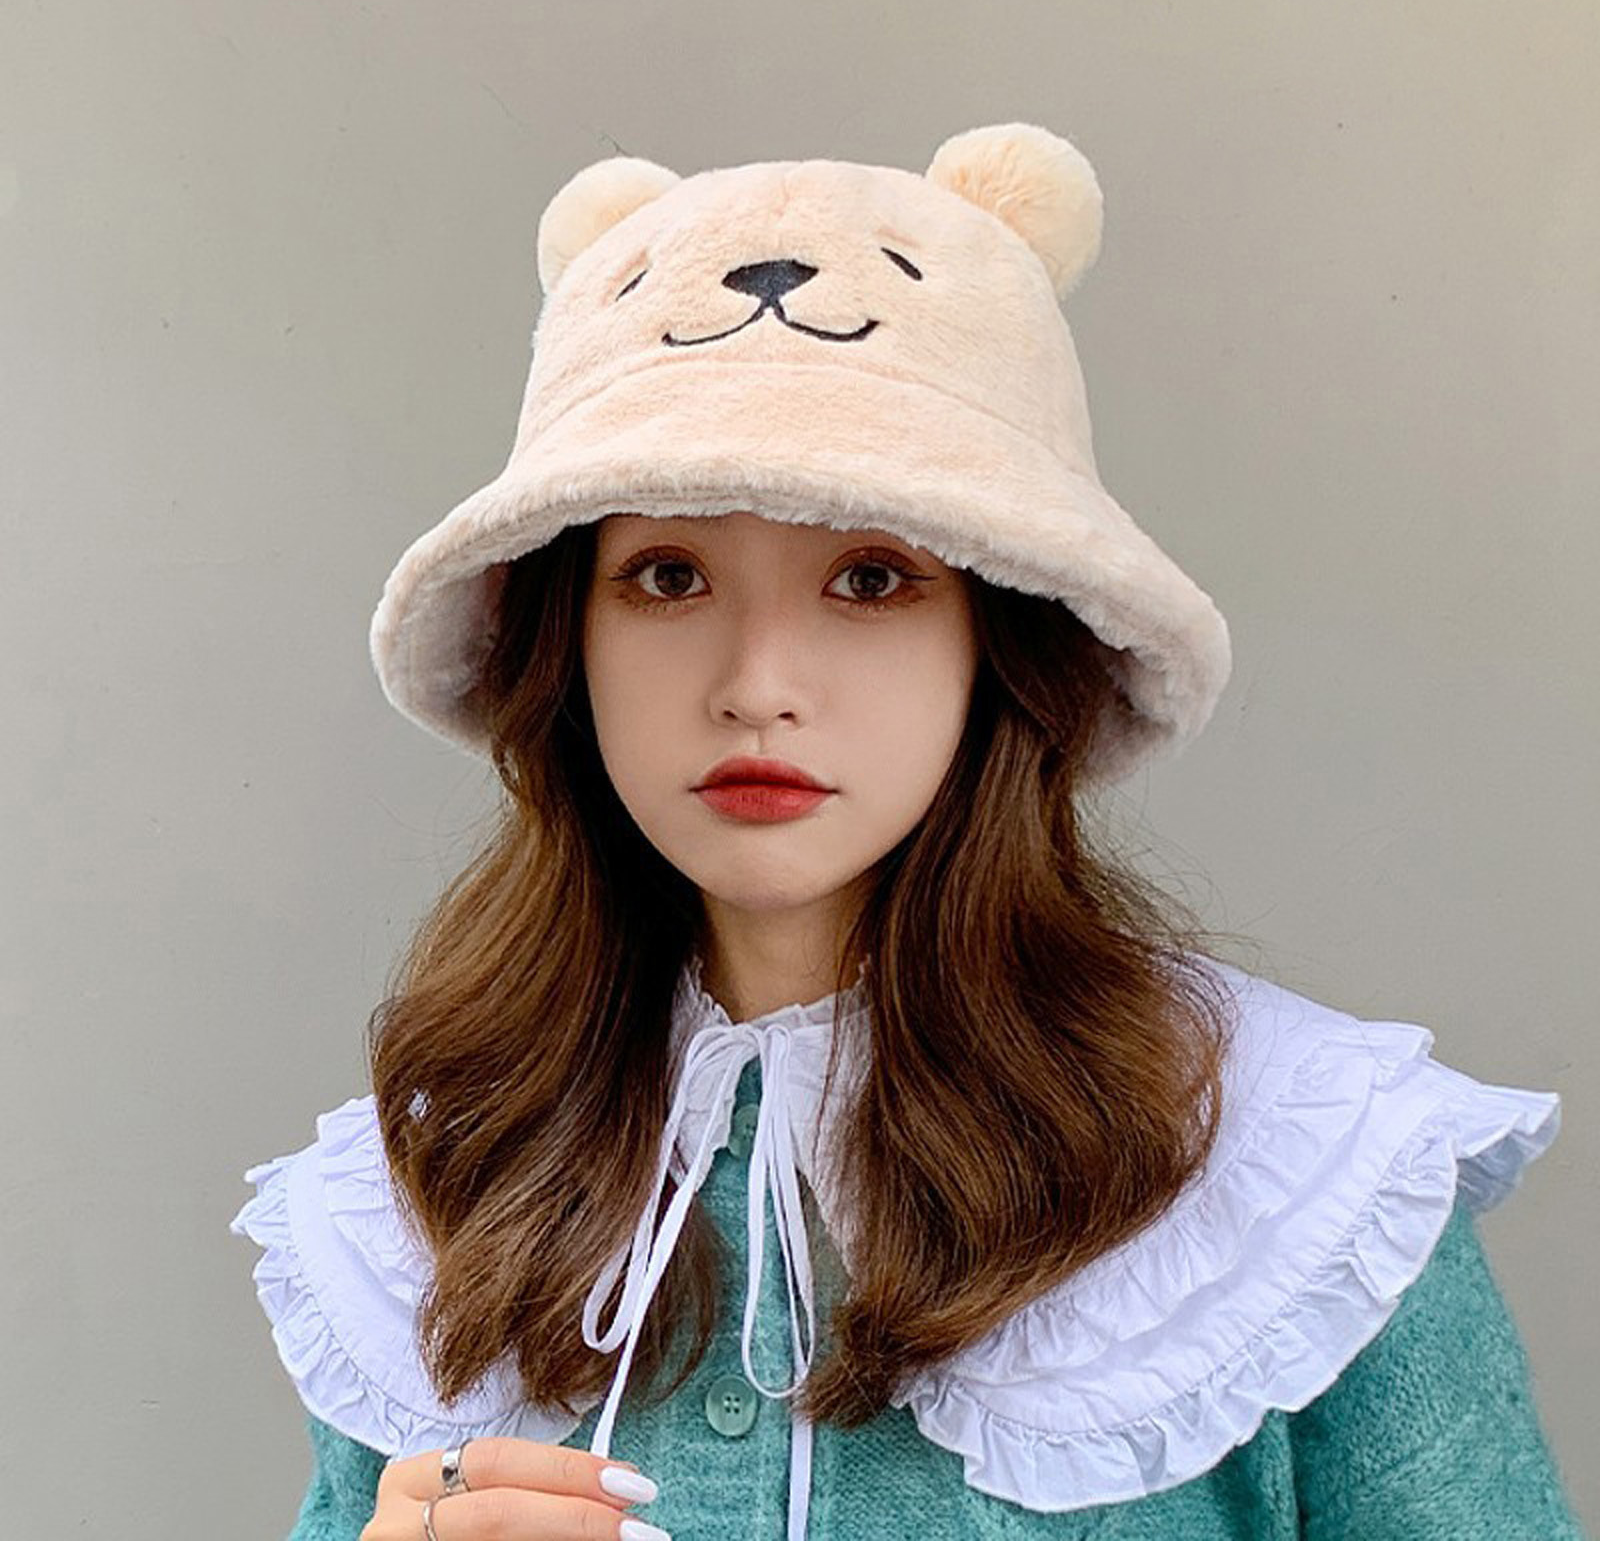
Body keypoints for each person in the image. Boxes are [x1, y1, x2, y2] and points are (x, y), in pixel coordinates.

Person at [230, 122, 1585, 1540]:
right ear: (567, 640)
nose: (757, 685)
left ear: (1002, 637)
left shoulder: (1300, 1168)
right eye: (668, 576)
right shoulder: (422, 1184)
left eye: (871, 580)